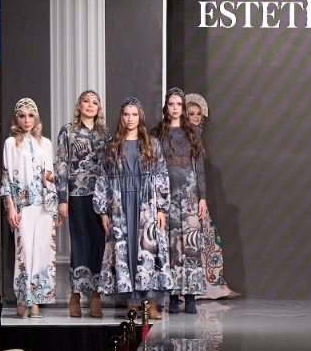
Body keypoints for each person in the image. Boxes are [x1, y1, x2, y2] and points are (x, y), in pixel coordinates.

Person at [94, 97, 171, 320]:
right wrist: (103, 211)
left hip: (146, 204)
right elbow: (102, 178)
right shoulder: (112, 145)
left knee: (147, 250)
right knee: (125, 250)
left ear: (140, 117)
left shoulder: (152, 143)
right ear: (121, 117)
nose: (130, 119)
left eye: (134, 114)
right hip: (121, 204)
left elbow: (161, 175)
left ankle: (151, 302)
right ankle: (132, 302)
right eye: (126, 114)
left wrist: (161, 208)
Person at [0, 97, 61, 318]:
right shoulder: (11, 143)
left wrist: (54, 207)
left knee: (42, 251)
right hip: (22, 205)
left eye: (30, 115)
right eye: (22, 116)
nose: (27, 120)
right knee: (24, 250)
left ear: (36, 118)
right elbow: (6, 177)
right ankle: (23, 298)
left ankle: (36, 301)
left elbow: (50, 176)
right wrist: (10, 207)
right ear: (16, 118)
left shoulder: (45, 143)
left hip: (44, 205)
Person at [56, 89, 111, 319]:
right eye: (86, 101)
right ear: (79, 105)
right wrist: (62, 198)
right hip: (77, 195)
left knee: (98, 244)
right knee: (79, 243)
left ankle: (95, 295)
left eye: (94, 102)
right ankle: (75, 294)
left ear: (99, 108)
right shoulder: (68, 131)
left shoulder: (105, 134)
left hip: (99, 196)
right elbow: (61, 164)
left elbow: (110, 167)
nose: (90, 105)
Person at [156, 88, 208, 315]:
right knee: (170, 245)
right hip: (167, 193)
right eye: (172, 104)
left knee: (191, 244)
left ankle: (190, 297)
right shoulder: (157, 132)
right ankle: (172, 297)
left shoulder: (193, 132)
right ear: (166, 107)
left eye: (179, 104)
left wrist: (202, 197)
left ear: (183, 108)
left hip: (189, 193)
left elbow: (199, 166)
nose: (175, 108)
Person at [184, 92, 238, 300]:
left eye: (198, 114)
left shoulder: (196, 136)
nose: (196, 117)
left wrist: (202, 197)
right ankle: (187, 290)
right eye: (191, 113)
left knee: (207, 239)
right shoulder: (182, 136)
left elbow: (199, 171)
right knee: (189, 241)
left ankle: (210, 287)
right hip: (183, 194)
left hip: (194, 194)